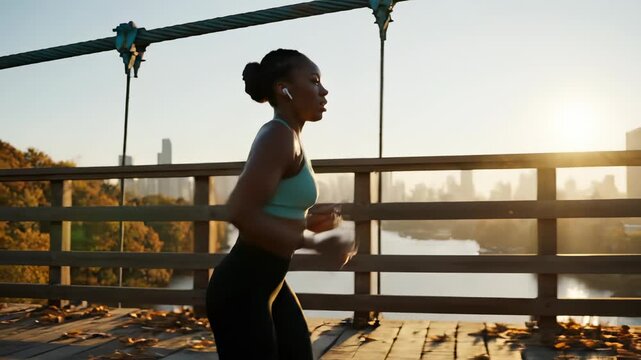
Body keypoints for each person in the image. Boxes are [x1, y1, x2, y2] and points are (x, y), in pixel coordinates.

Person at [206, 48, 356, 360]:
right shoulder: (278, 136)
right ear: (283, 89)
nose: (324, 90)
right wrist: (314, 245)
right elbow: (239, 213)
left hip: (268, 283)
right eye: (314, 81)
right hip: (242, 289)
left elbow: (267, 212)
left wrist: (309, 222)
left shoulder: (290, 137)